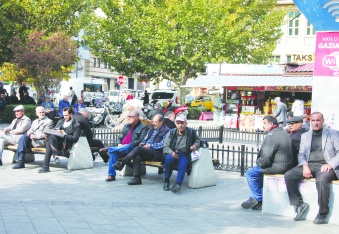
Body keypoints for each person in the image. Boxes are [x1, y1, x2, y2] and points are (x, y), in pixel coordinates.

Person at [284, 112, 339, 224]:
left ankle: (322, 213)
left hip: (326, 166)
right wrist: (305, 166)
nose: (315, 123)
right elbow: (301, 154)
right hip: (309, 165)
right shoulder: (305, 135)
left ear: (323, 121)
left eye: (318, 120)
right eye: (313, 121)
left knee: (322, 180)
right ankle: (299, 204)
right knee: (289, 175)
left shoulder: (333, 134)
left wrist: (330, 164)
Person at [241, 115, 293, 210]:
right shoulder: (283, 132)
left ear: (272, 124)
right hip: (287, 165)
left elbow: (265, 158)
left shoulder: (271, 136)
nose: (263, 126)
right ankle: (254, 196)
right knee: (258, 173)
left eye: (265, 123)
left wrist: (258, 163)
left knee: (250, 173)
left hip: (277, 166)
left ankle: (259, 199)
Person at [114, 114, 170, 185]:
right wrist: (143, 143)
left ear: (161, 122)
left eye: (155, 122)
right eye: (153, 122)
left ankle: (122, 163)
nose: (153, 124)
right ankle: (136, 178)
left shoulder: (167, 131)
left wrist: (151, 146)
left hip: (158, 153)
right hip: (147, 151)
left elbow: (163, 144)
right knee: (137, 156)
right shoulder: (152, 128)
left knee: (138, 149)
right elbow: (145, 138)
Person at [99, 110, 148, 182]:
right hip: (121, 148)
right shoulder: (126, 126)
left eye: (130, 117)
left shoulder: (143, 127)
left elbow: (141, 140)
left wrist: (128, 145)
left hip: (133, 149)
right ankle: (111, 175)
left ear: (136, 118)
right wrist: (119, 143)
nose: (128, 118)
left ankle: (108, 149)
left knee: (128, 146)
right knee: (113, 153)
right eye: (128, 116)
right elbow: (120, 137)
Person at [163, 115, 201, 193]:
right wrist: (171, 153)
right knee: (169, 160)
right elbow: (166, 146)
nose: (180, 125)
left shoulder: (191, 132)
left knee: (183, 163)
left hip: (184, 153)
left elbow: (198, 140)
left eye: (182, 123)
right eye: (178, 123)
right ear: (175, 124)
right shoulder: (172, 132)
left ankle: (178, 184)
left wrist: (195, 145)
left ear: (186, 123)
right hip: (172, 152)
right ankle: (166, 181)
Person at [38, 107, 81, 173]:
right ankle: (54, 157)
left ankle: (46, 166)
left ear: (71, 114)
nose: (64, 117)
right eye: (63, 115)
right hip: (56, 142)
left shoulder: (76, 125)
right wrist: (56, 131)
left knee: (49, 142)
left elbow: (75, 139)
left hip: (66, 144)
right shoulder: (61, 121)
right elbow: (55, 130)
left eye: (66, 115)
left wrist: (65, 135)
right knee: (51, 137)